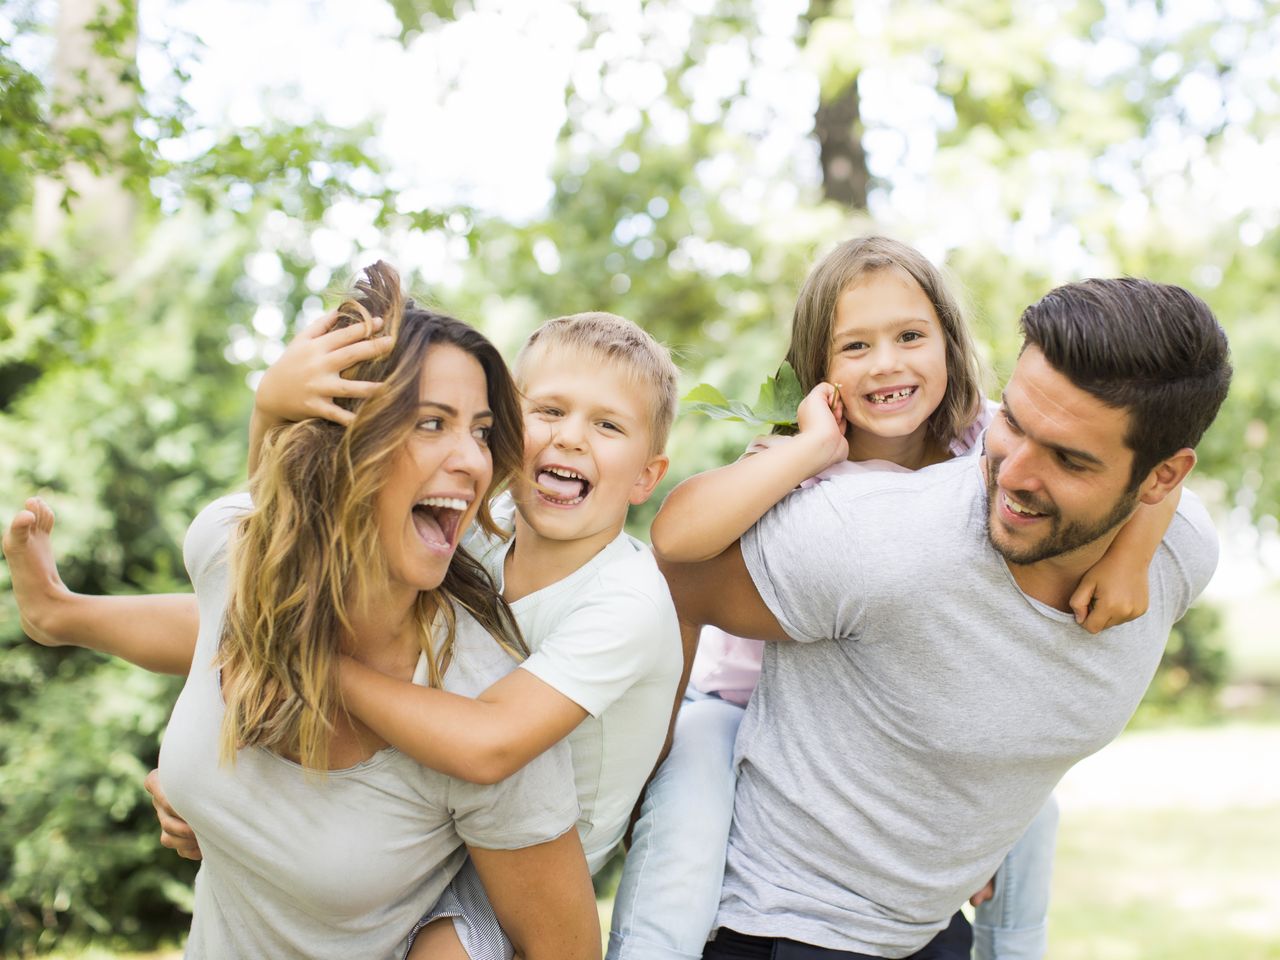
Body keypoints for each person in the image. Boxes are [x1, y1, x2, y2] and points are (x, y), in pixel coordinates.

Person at [2, 263, 600, 960]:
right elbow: (231, 607)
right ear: (342, 446)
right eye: (432, 423)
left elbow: (565, 949)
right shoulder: (236, 557)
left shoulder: (477, 697)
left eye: (481, 430)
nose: (471, 459)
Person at [609, 238, 1174, 960]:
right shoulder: (793, 464)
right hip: (740, 707)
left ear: (949, 341)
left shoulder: (993, 441)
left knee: (1033, 812)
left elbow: (1156, 450)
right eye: (855, 345)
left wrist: (1132, 556)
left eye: (911, 336)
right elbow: (677, 537)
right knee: (679, 865)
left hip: (918, 724)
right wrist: (811, 452)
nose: (887, 364)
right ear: (819, 367)